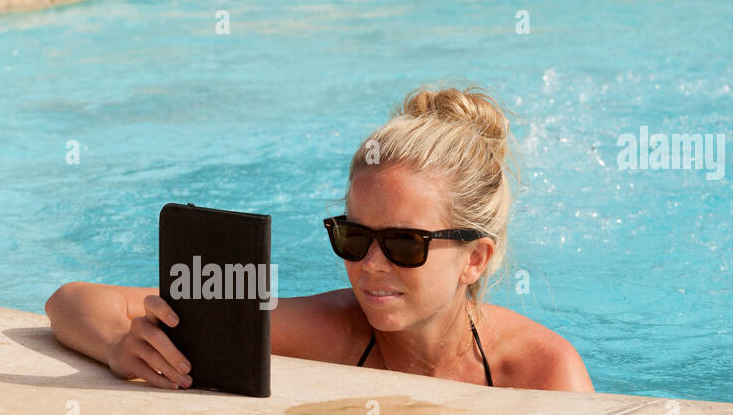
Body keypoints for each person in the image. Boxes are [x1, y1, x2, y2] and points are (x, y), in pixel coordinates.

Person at [45, 84, 593, 393]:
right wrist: (120, 345)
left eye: (404, 244)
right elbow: (70, 300)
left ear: (475, 258)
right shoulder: (334, 332)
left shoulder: (542, 374)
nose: (372, 265)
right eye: (354, 237)